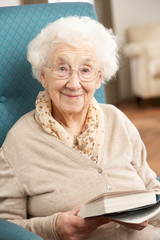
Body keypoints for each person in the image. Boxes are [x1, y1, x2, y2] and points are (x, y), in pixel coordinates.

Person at [0, 16, 160, 240]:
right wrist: (55, 228)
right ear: (43, 76)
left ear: (98, 78)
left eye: (86, 70)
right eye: (62, 68)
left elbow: (153, 187)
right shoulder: (19, 141)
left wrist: (149, 210)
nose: (74, 83)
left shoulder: (117, 119)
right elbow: (6, 227)